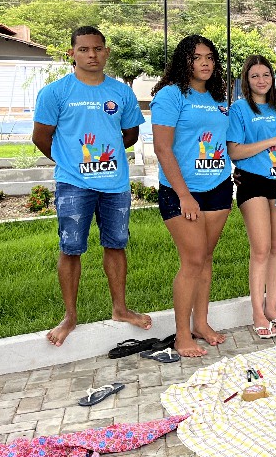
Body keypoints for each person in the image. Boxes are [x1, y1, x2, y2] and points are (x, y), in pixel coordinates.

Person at [32, 26, 151, 346]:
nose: (92, 55)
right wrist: (70, 161)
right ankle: (70, 316)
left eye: (98, 48)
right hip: (73, 184)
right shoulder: (55, 93)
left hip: (115, 184)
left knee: (116, 245)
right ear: (72, 53)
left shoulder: (121, 92)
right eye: (84, 49)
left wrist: (103, 159)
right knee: (70, 248)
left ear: (106, 52)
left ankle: (120, 309)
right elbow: (41, 137)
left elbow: (130, 134)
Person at [150, 34, 232, 357]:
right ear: (184, 61)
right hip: (181, 192)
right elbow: (162, 148)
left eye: (209, 57)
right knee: (193, 259)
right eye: (197, 57)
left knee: (206, 258)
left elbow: (223, 140)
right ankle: (182, 335)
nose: (205, 63)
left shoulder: (217, 97)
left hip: (219, 187)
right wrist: (184, 195)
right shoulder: (170, 95)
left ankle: (201, 324)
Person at [226, 55, 276, 340]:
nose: (261, 80)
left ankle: (272, 308)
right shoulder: (239, 109)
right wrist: (272, 141)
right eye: (255, 76)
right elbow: (234, 151)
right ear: (247, 80)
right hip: (252, 182)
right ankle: (257, 312)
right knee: (262, 248)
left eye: (266, 74)